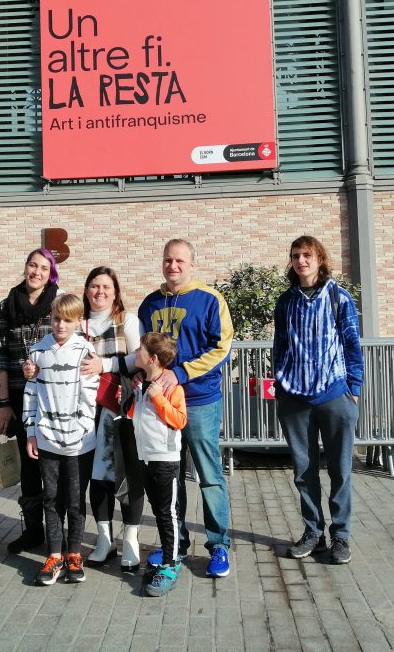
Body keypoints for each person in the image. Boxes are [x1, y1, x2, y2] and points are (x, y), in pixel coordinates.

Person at [137, 238, 234, 579]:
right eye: (167, 260)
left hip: (199, 400)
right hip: (160, 407)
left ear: (192, 264)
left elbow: (222, 346)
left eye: (179, 260)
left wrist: (179, 374)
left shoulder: (210, 300)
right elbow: (144, 351)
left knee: (209, 475)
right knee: (170, 478)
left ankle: (219, 543)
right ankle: (174, 543)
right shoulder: (149, 304)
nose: (172, 266)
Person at [272, 235, 364, 566]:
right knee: (304, 470)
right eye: (296, 255)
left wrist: (353, 388)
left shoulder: (339, 298)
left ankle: (341, 536)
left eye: (307, 255)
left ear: (320, 259)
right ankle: (313, 532)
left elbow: (352, 344)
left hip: (335, 395)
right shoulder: (286, 302)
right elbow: (280, 345)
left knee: (340, 469)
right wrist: (281, 384)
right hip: (295, 398)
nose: (301, 261)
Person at [23, 294, 99, 586]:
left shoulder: (86, 353)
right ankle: (55, 554)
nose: (61, 325)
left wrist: (77, 430)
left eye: (67, 320)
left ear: (78, 321)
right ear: (49, 319)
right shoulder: (38, 352)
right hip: (47, 440)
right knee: (51, 497)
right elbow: (30, 395)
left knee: (76, 500)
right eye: (56, 319)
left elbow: (89, 399)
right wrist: (31, 431)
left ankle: (74, 553)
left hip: (80, 442)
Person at [0, 248, 60, 554]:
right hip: (21, 398)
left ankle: (58, 536)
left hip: (57, 397)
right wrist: (4, 402)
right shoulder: (6, 306)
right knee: (29, 469)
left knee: (55, 467)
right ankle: (33, 531)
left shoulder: (59, 303)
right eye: (33, 265)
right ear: (25, 267)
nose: (37, 272)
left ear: (50, 273)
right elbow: (0, 357)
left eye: (44, 268)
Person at [78, 267, 145, 570]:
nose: (100, 292)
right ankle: (104, 539)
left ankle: (130, 538)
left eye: (106, 286)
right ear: (86, 290)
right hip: (82, 411)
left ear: (116, 291)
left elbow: (139, 357)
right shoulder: (76, 322)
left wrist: (104, 365)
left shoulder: (127, 321)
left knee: (127, 472)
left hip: (119, 409)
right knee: (98, 476)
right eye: (94, 286)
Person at [125, 332, 188, 597]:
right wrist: (134, 392)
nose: (135, 353)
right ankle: (165, 558)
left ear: (151, 358)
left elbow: (179, 420)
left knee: (168, 514)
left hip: (165, 459)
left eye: (139, 350)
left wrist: (158, 398)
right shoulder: (142, 382)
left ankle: (172, 564)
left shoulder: (172, 387)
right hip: (145, 457)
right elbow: (134, 416)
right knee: (159, 510)